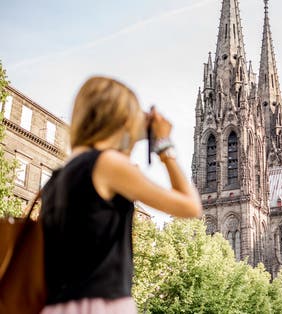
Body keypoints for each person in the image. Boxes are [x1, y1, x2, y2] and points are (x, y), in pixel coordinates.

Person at [40, 76, 203, 314]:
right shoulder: (107, 164)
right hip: (100, 305)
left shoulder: (59, 176)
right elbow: (191, 206)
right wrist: (164, 146)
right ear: (121, 118)